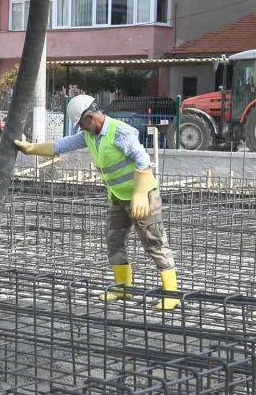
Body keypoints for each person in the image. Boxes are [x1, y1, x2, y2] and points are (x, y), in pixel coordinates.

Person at [14, 95, 180, 310]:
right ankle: (123, 288)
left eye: (81, 123)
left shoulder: (120, 132)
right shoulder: (89, 135)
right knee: (114, 241)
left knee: (154, 243)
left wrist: (139, 194)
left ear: (90, 117)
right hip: (118, 197)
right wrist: (32, 148)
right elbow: (61, 145)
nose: (80, 128)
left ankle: (172, 294)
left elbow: (143, 160)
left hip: (143, 196)